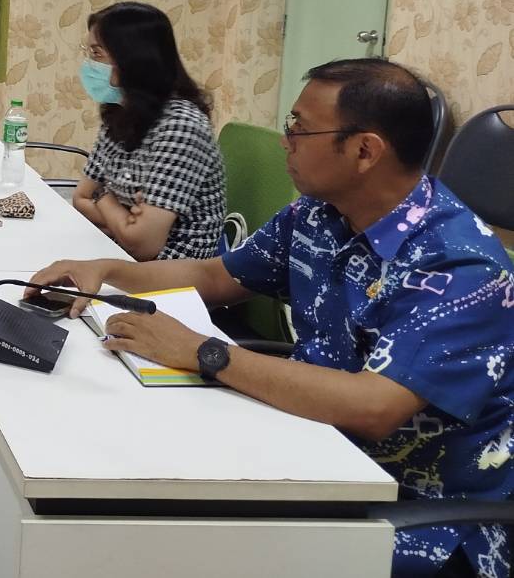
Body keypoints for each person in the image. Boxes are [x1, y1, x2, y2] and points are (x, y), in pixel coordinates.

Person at [30, 59, 514, 578]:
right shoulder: (320, 212)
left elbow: (375, 407)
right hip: (310, 447)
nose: (286, 141)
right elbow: (218, 276)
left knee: (170, 543)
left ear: (364, 150)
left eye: (300, 129)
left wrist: (202, 352)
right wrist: (108, 270)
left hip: (415, 513)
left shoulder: (459, 267)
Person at [70, 1, 224, 261]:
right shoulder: (120, 112)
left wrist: (103, 196)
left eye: (96, 53)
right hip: (118, 254)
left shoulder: (181, 126)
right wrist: (124, 219)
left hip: (171, 272)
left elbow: (143, 245)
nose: (89, 63)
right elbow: (80, 197)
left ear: (131, 58)